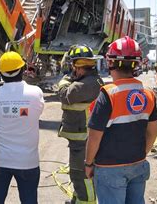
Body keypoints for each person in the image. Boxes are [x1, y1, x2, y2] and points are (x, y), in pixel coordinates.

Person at [85, 36, 157, 204]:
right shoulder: (148, 94)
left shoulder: (108, 94)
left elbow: (94, 137)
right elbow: (153, 132)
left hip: (109, 168)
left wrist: (89, 164)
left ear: (110, 62)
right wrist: (142, 153)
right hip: (138, 164)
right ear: (137, 63)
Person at [0, 51, 44, 204]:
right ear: (23, 69)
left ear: (0, 72)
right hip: (27, 161)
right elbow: (37, 113)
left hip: (0, 160)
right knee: (29, 200)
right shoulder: (36, 93)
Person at [56, 45, 103, 204]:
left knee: (80, 175)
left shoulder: (86, 84)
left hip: (83, 139)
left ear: (77, 66)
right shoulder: (90, 80)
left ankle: (85, 201)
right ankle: (77, 199)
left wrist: (65, 77)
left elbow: (64, 95)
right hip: (81, 138)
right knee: (77, 175)